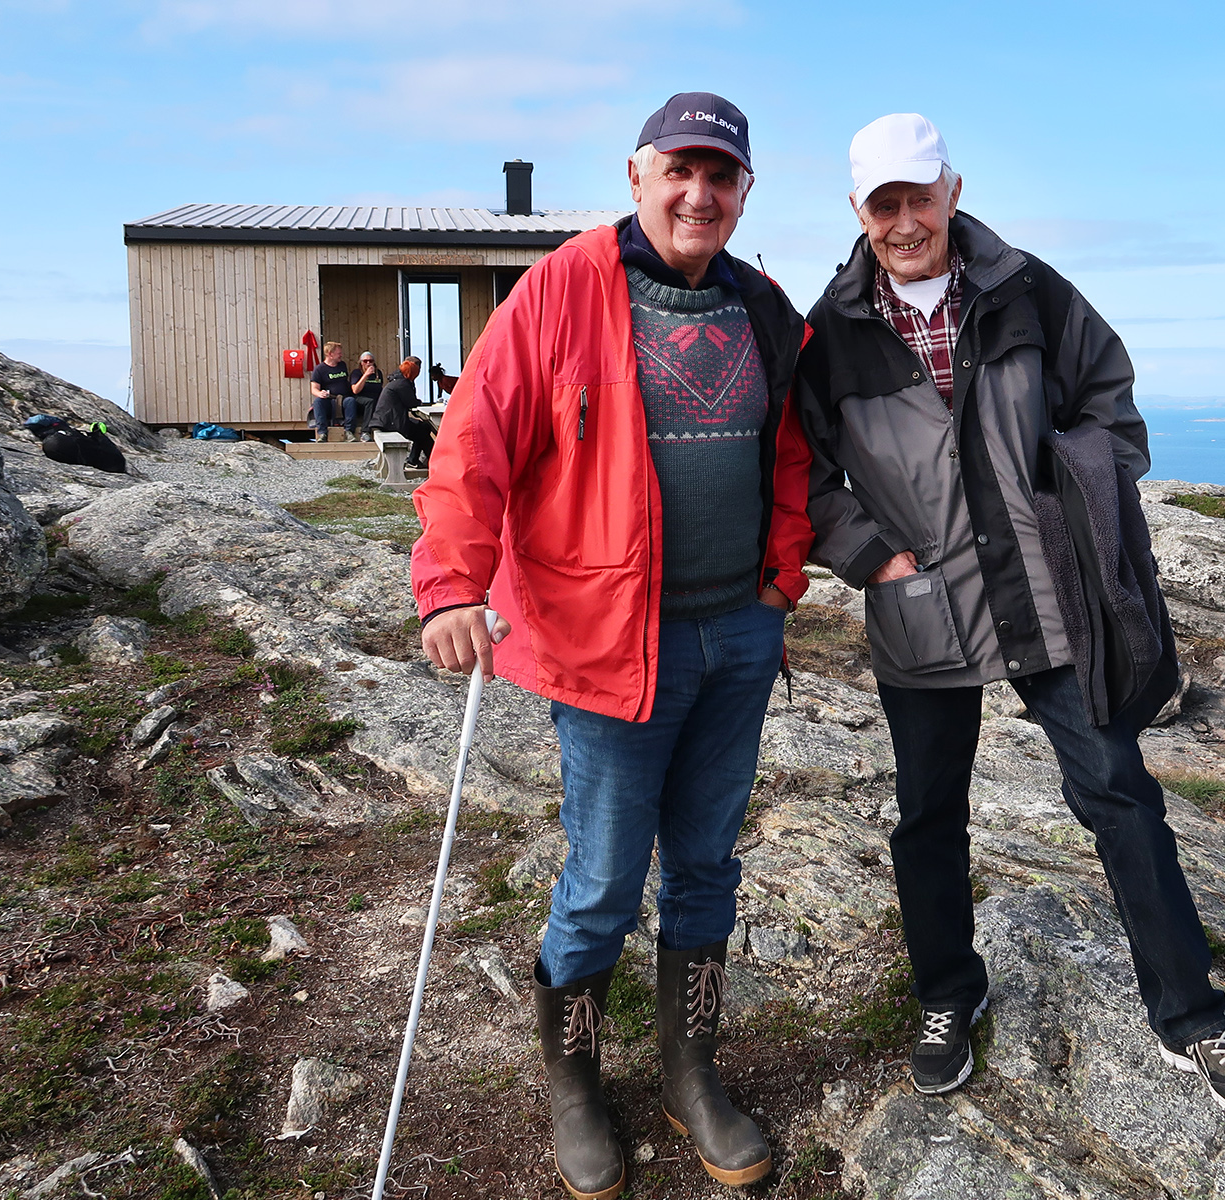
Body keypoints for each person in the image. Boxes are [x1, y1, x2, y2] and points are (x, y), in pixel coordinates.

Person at [794, 114, 1225, 1116]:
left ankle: (1189, 1016)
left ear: (953, 191)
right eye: (881, 203)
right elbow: (800, 471)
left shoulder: (1031, 290)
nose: (902, 221)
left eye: (917, 197)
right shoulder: (832, 331)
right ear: (857, 210)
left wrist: (1079, 503)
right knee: (928, 816)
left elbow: (1110, 401)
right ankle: (946, 996)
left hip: (1048, 596)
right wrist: (867, 553)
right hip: (918, 604)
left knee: (1119, 793)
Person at [412, 92, 813, 1198]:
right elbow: (475, 442)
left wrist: (782, 579)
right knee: (599, 880)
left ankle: (691, 1072)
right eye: (678, 171)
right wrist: (450, 583)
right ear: (637, 175)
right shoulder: (561, 288)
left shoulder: (765, 306)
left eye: (720, 177)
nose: (698, 194)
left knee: (705, 868)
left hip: (737, 633)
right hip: (602, 646)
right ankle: (576, 1085)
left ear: (742, 192)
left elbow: (792, 452)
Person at [368, 356, 436, 468]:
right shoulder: (402, 384)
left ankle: (421, 460)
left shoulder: (397, 381)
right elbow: (411, 402)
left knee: (423, 427)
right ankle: (428, 460)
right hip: (390, 423)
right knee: (423, 430)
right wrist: (420, 402)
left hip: (385, 420)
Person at [308, 342, 355, 442]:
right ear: (330, 354)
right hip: (329, 400)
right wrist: (320, 393)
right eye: (339, 353)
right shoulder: (319, 369)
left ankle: (349, 432)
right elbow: (314, 388)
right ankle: (322, 433)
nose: (341, 355)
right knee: (318, 402)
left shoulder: (342, 365)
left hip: (343, 399)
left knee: (351, 401)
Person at [351, 351, 384, 439]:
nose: (368, 363)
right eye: (365, 361)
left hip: (375, 399)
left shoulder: (378, 373)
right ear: (361, 363)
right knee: (370, 402)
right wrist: (366, 375)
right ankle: (365, 431)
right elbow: (355, 390)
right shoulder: (356, 373)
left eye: (371, 361)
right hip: (360, 399)